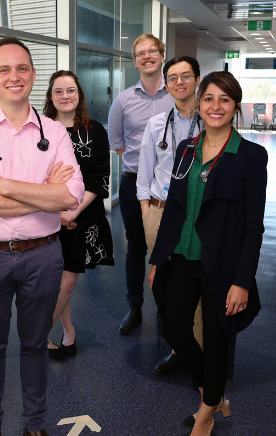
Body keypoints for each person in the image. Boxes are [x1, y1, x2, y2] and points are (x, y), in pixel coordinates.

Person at [0, 37, 85, 436]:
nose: (15, 77)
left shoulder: (55, 132)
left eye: (23, 68)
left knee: (34, 345)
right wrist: (43, 194)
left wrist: (4, 185)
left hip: (42, 255)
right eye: (5, 70)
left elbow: (70, 195)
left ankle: (34, 425)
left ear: (33, 75)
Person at [150, 71, 267, 436]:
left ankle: (205, 413)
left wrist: (242, 281)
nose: (216, 106)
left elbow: (253, 225)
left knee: (216, 342)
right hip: (181, 258)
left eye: (225, 100)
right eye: (209, 99)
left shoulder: (250, 156)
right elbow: (173, 209)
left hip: (222, 266)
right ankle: (213, 395)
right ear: (199, 104)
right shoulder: (187, 149)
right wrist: (156, 260)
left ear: (235, 107)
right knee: (175, 331)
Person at [137, 56, 204, 375]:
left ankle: (199, 356)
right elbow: (143, 174)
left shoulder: (211, 121)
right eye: (173, 78)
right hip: (160, 213)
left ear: (197, 80)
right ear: (165, 84)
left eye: (186, 76)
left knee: (199, 287)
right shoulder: (156, 124)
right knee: (165, 285)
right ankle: (179, 347)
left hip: (199, 216)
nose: (179, 82)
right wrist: (147, 212)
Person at [42, 70, 114, 360]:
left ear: (79, 94)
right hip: (46, 214)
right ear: (50, 96)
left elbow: (100, 180)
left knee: (68, 280)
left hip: (82, 214)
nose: (65, 96)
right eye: (58, 91)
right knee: (58, 280)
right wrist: (56, 210)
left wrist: (71, 211)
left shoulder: (94, 130)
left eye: (70, 90)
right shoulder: (41, 131)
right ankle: (69, 332)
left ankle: (38, 336)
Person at [108, 33, 175, 336]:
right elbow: (117, 141)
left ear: (162, 56)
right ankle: (135, 306)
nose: (147, 57)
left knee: (170, 248)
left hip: (172, 187)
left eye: (152, 51)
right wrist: (142, 166)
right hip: (133, 183)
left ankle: (166, 306)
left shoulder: (178, 94)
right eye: (140, 53)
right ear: (134, 61)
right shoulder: (123, 100)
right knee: (135, 247)